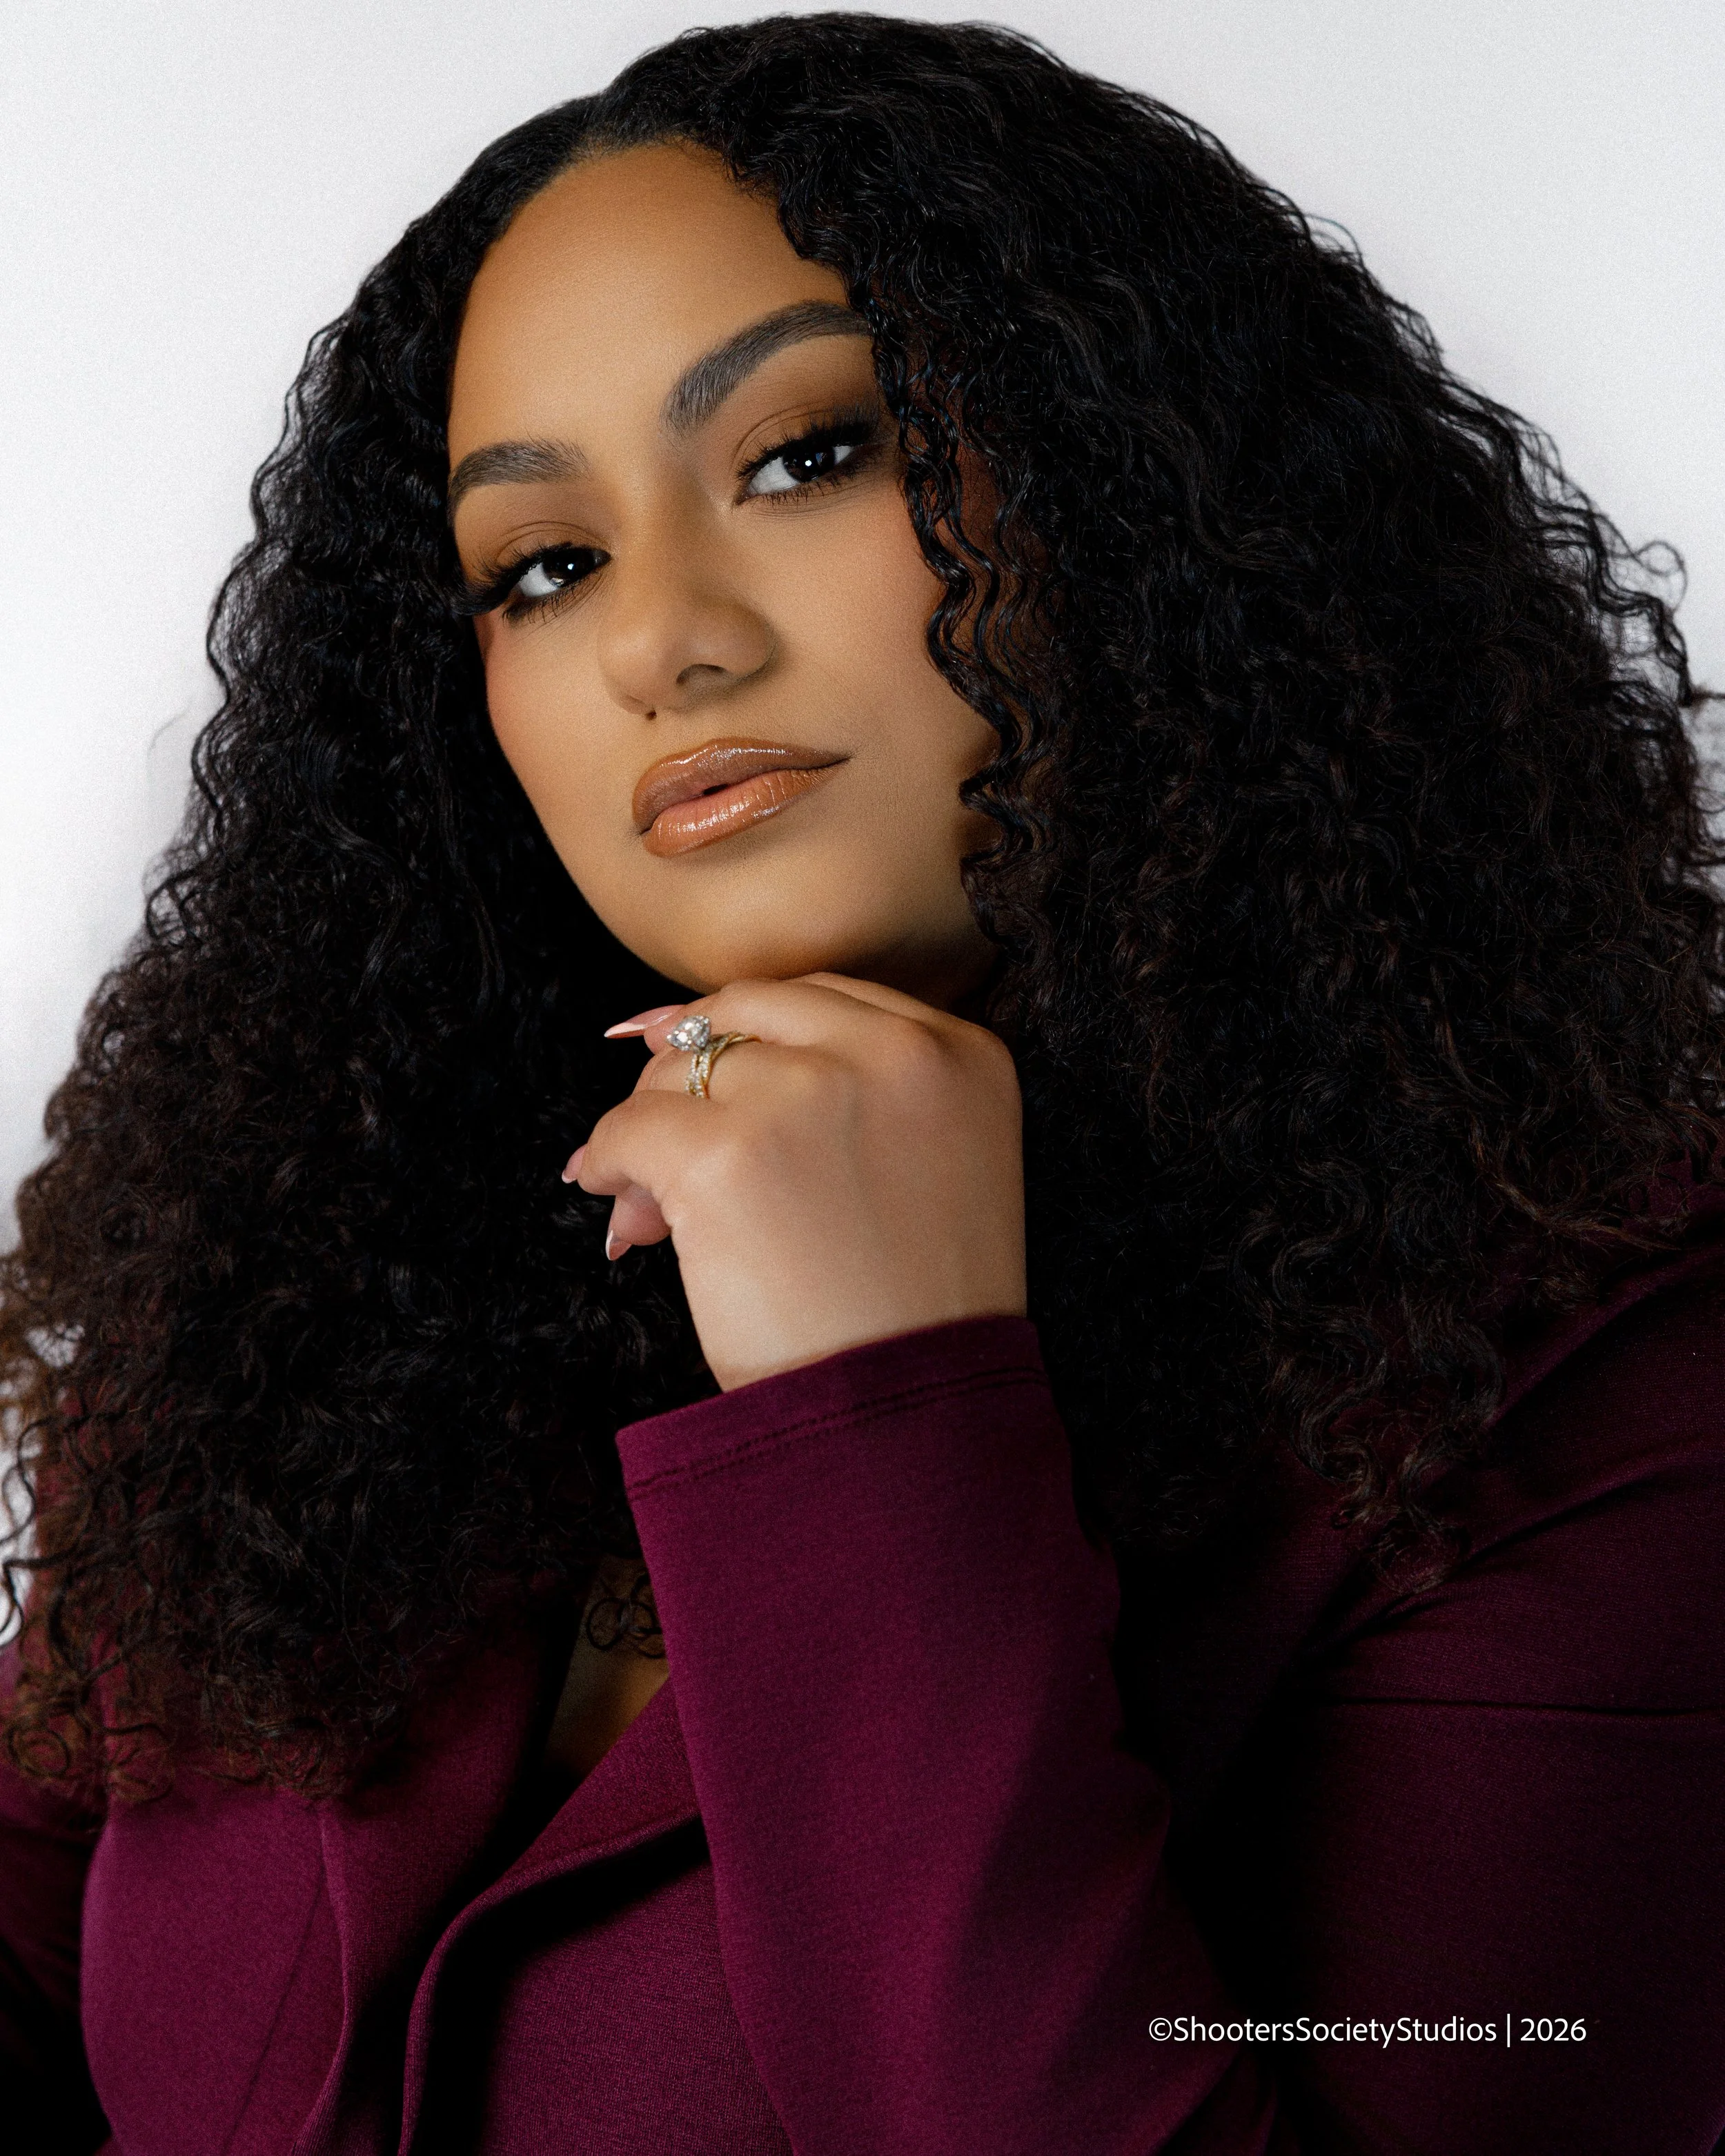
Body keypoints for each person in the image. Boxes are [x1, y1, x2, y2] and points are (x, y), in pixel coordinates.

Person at [3, 14, 1722, 2153]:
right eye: (542, 567)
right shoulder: (299, 1304)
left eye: (810, 453)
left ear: (1142, 481)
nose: (664, 646)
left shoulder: (1599, 1371)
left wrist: (877, 1407)